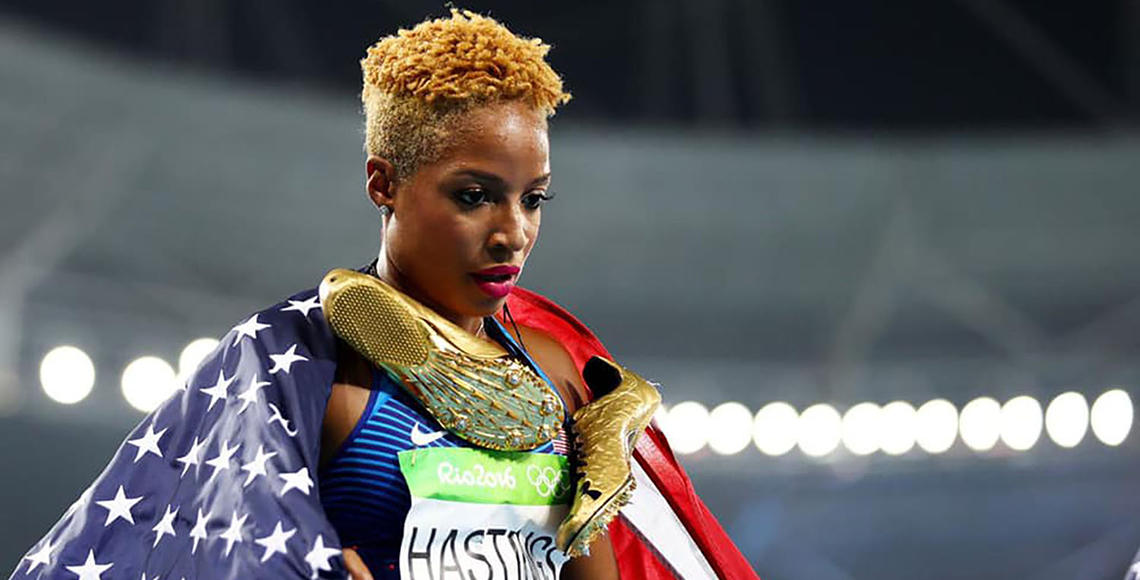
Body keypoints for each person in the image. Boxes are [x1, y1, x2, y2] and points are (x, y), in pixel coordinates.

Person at [10, 10, 757, 580]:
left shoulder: (560, 369)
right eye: (475, 196)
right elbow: (217, 547)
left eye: (535, 200)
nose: (513, 234)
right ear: (384, 184)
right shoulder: (301, 371)